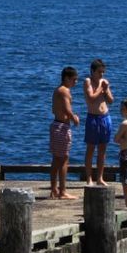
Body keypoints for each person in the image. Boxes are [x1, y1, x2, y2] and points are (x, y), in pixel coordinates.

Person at [49, 66, 80, 199]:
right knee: (63, 160)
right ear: (66, 78)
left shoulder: (57, 90)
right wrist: (74, 118)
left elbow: (54, 109)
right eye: (74, 79)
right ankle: (62, 191)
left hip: (56, 124)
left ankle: (54, 189)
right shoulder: (64, 91)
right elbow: (67, 109)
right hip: (62, 127)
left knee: (56, 159)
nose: (76, 82)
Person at [82, 59, 114, 186]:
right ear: (93, 71)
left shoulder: (104, 83)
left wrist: (106, 90)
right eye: (99, 72)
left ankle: (100, 178)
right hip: (93, 118)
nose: (101, 75)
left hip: (105, 117)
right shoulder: (87, 81)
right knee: (90, 149)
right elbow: (90, 99)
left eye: (103, 72)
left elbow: (111, 100)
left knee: (102, 149)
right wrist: (102, 87)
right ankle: (89, 178)